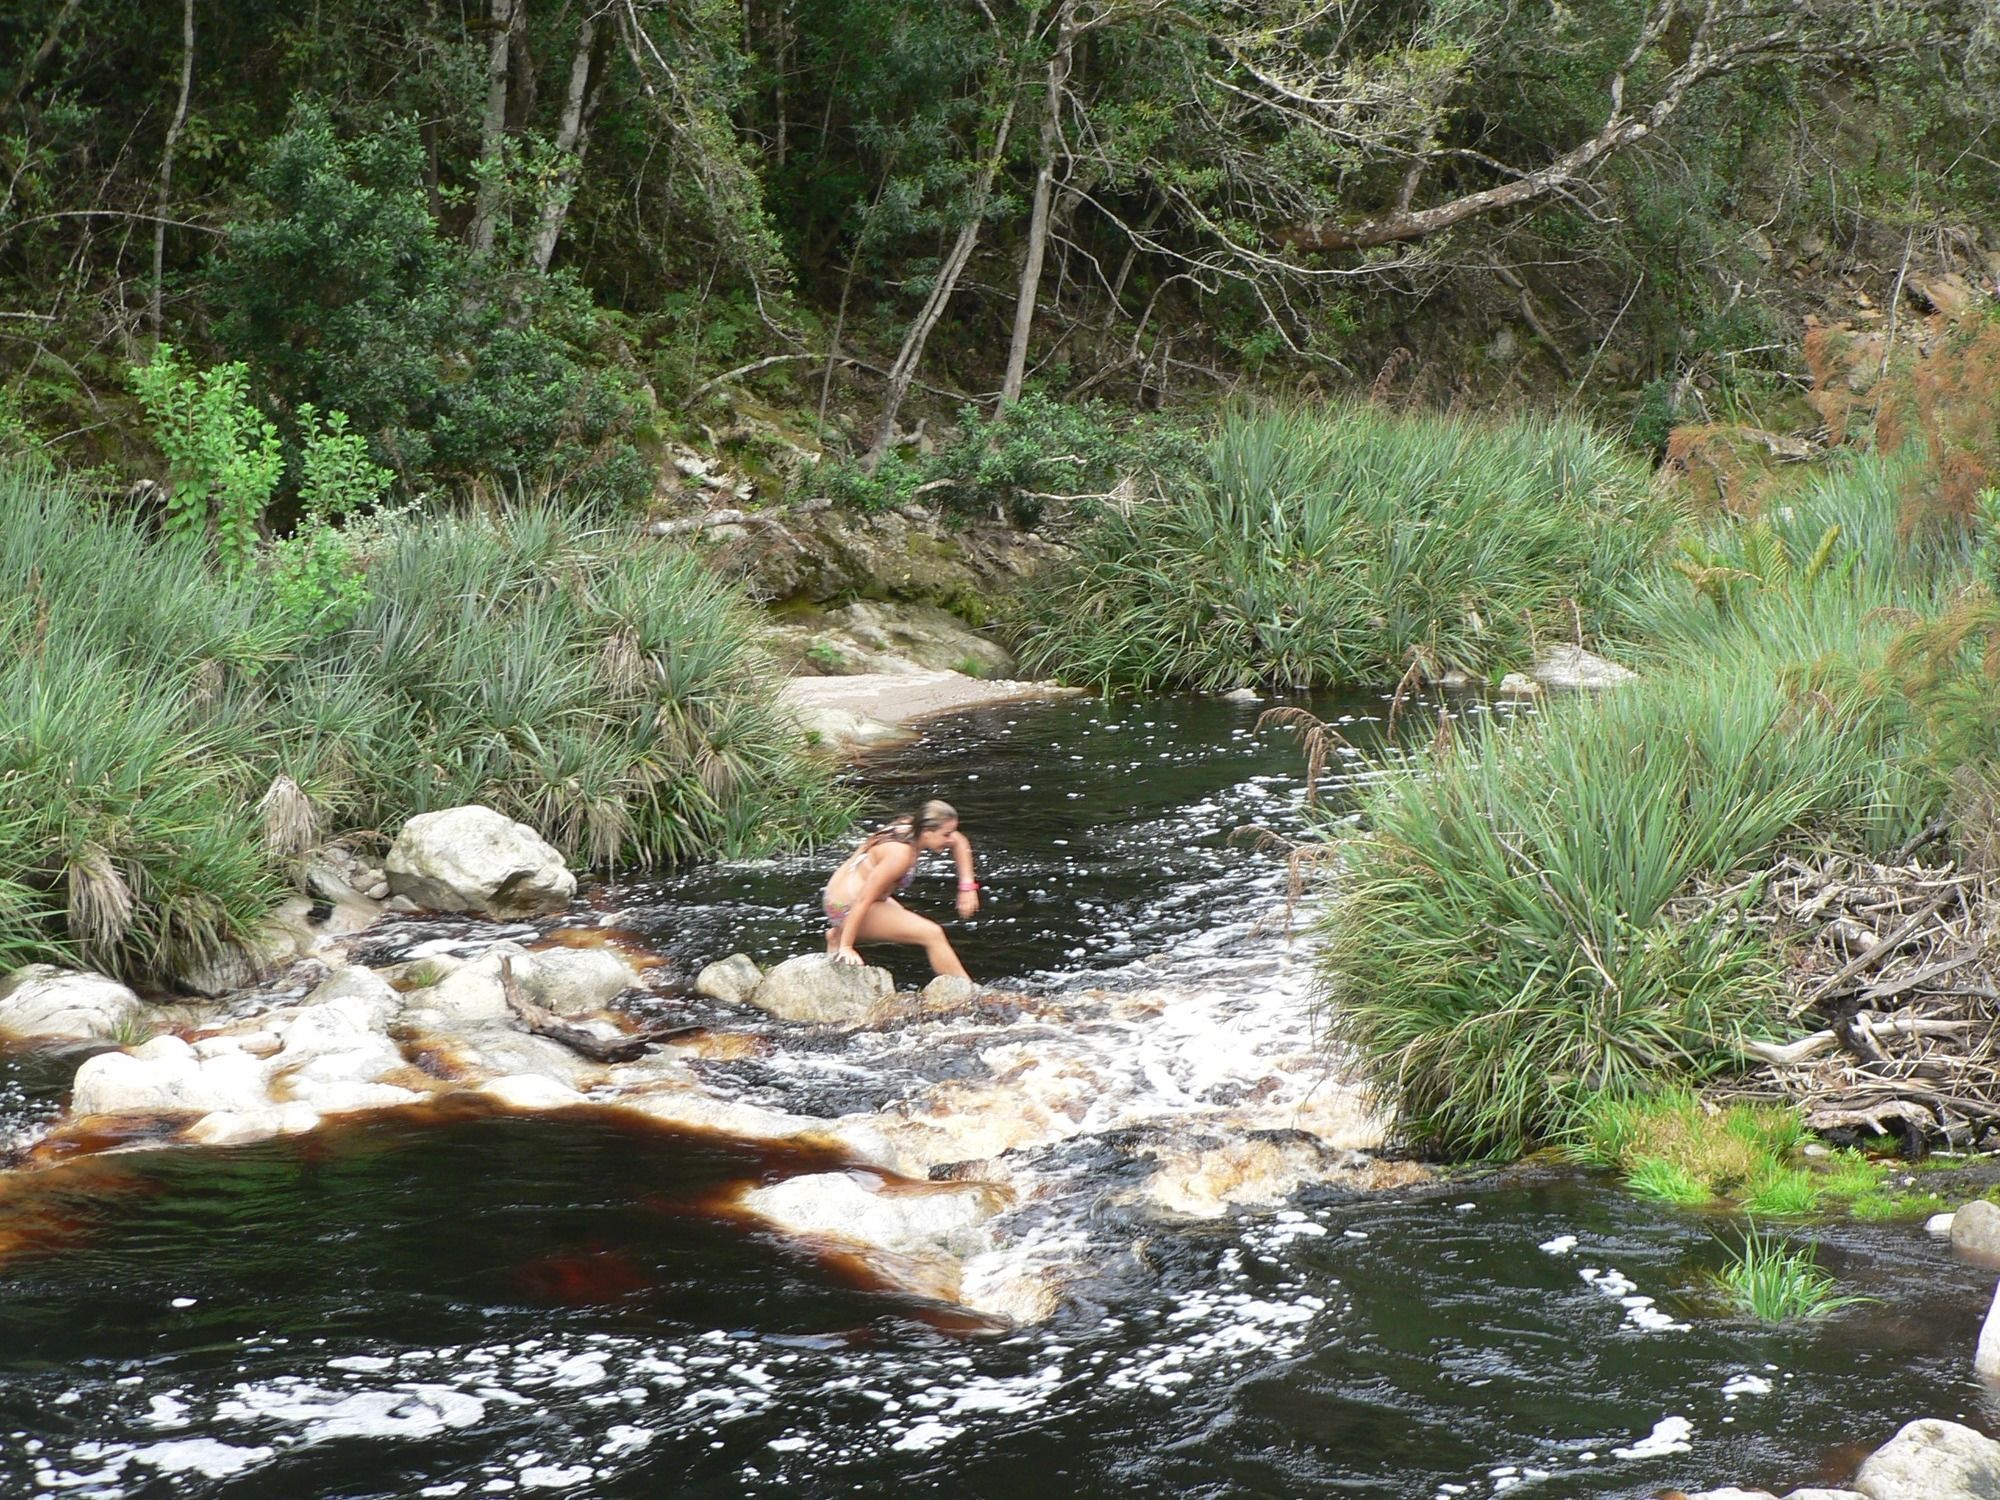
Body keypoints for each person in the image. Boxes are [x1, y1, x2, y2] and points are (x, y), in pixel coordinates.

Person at [822, 799, 980, 978]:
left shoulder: (910, 826)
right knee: (932, 933)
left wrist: (967, 887)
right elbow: (863, 899)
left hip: (839, 894)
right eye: (946, 834)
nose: (951, 839)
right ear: (928, 831)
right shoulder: (900, 856)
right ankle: (969, 994)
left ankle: (837, 936)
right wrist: (847, 947)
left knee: (905, 920)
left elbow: (960, 841)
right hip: (846, 906)